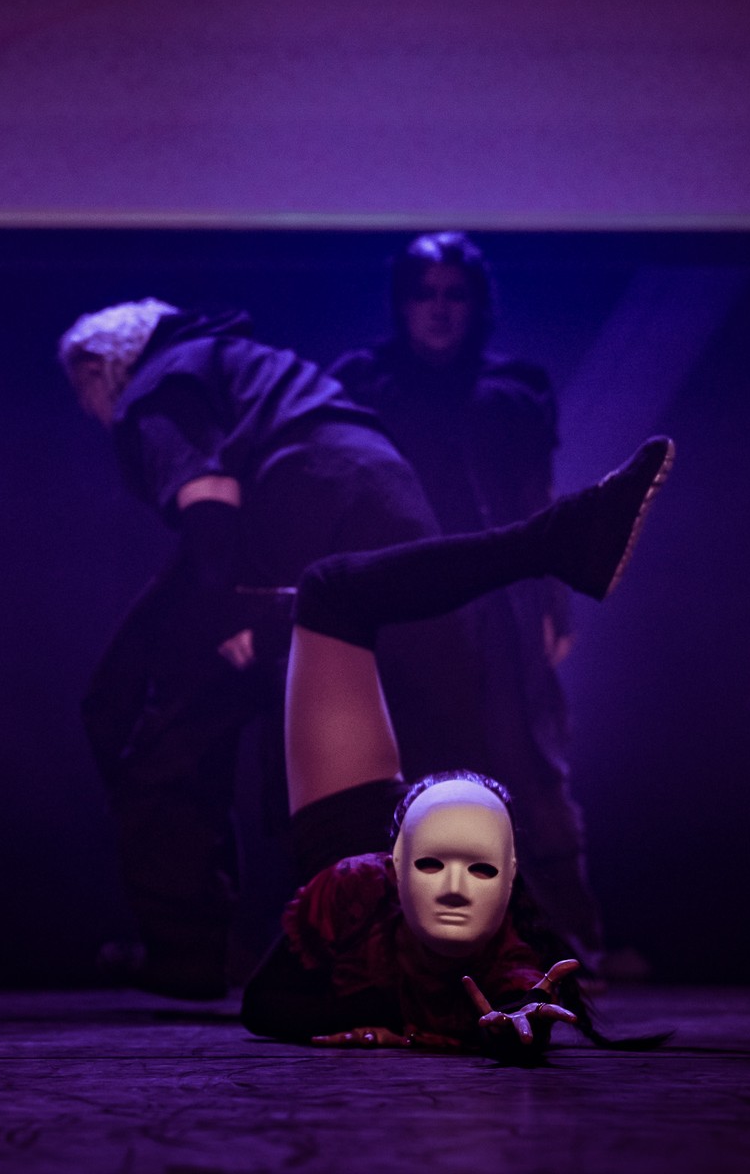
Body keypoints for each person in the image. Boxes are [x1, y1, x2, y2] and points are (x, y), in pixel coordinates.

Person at [60, 299, 490, 999]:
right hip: (385, 505)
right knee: (336, 739)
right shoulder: (230, 359)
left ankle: (189, 948)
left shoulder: (157, 388)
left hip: (301, 515)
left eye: (81, 389)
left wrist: (235, 612)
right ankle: (367, 945)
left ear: (96, 369)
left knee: (143, 722)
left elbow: (210, 505)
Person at [240, 437, 674, 1056]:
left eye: (481, 872)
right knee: (330, 594)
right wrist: (432, 1027)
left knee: (329, 593)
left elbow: (523, 1000)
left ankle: (561, 539)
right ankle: (560, 539)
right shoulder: (361, 887)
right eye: (431, 869)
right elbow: (265, 1006)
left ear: (507, 879)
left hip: (347, 831)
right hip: (379, 839)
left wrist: (454, 1026)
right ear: (394, 866)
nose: (452, 888)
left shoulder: (484, 941)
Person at [329, 232, 605, 964]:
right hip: (399, 602)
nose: (440, 309)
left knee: (526, 761)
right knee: (392, 768)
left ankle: (562, 940)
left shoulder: (514, 387)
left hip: (500, 603)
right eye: (425, 294)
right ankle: (385, 941)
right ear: (402, 303)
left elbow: (537, 498)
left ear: (478, 304)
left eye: (455, 294)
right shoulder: (362, 381)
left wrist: (554, 604)